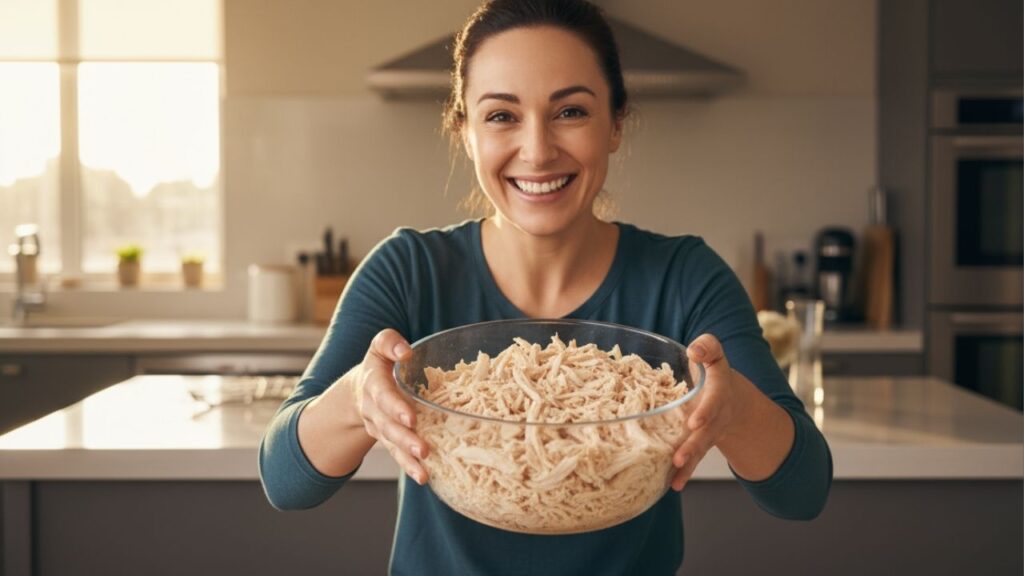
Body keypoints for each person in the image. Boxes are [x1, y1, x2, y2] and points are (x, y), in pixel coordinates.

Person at [259, 0, 833, 574]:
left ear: (615, 123)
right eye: (502, 116)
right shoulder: (409, 270)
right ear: (465, 131)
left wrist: (733, 409)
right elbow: (286, 480)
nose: (536, 151)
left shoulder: (685, 277)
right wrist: (360, 394)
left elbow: (803, 492)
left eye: (571, 111)